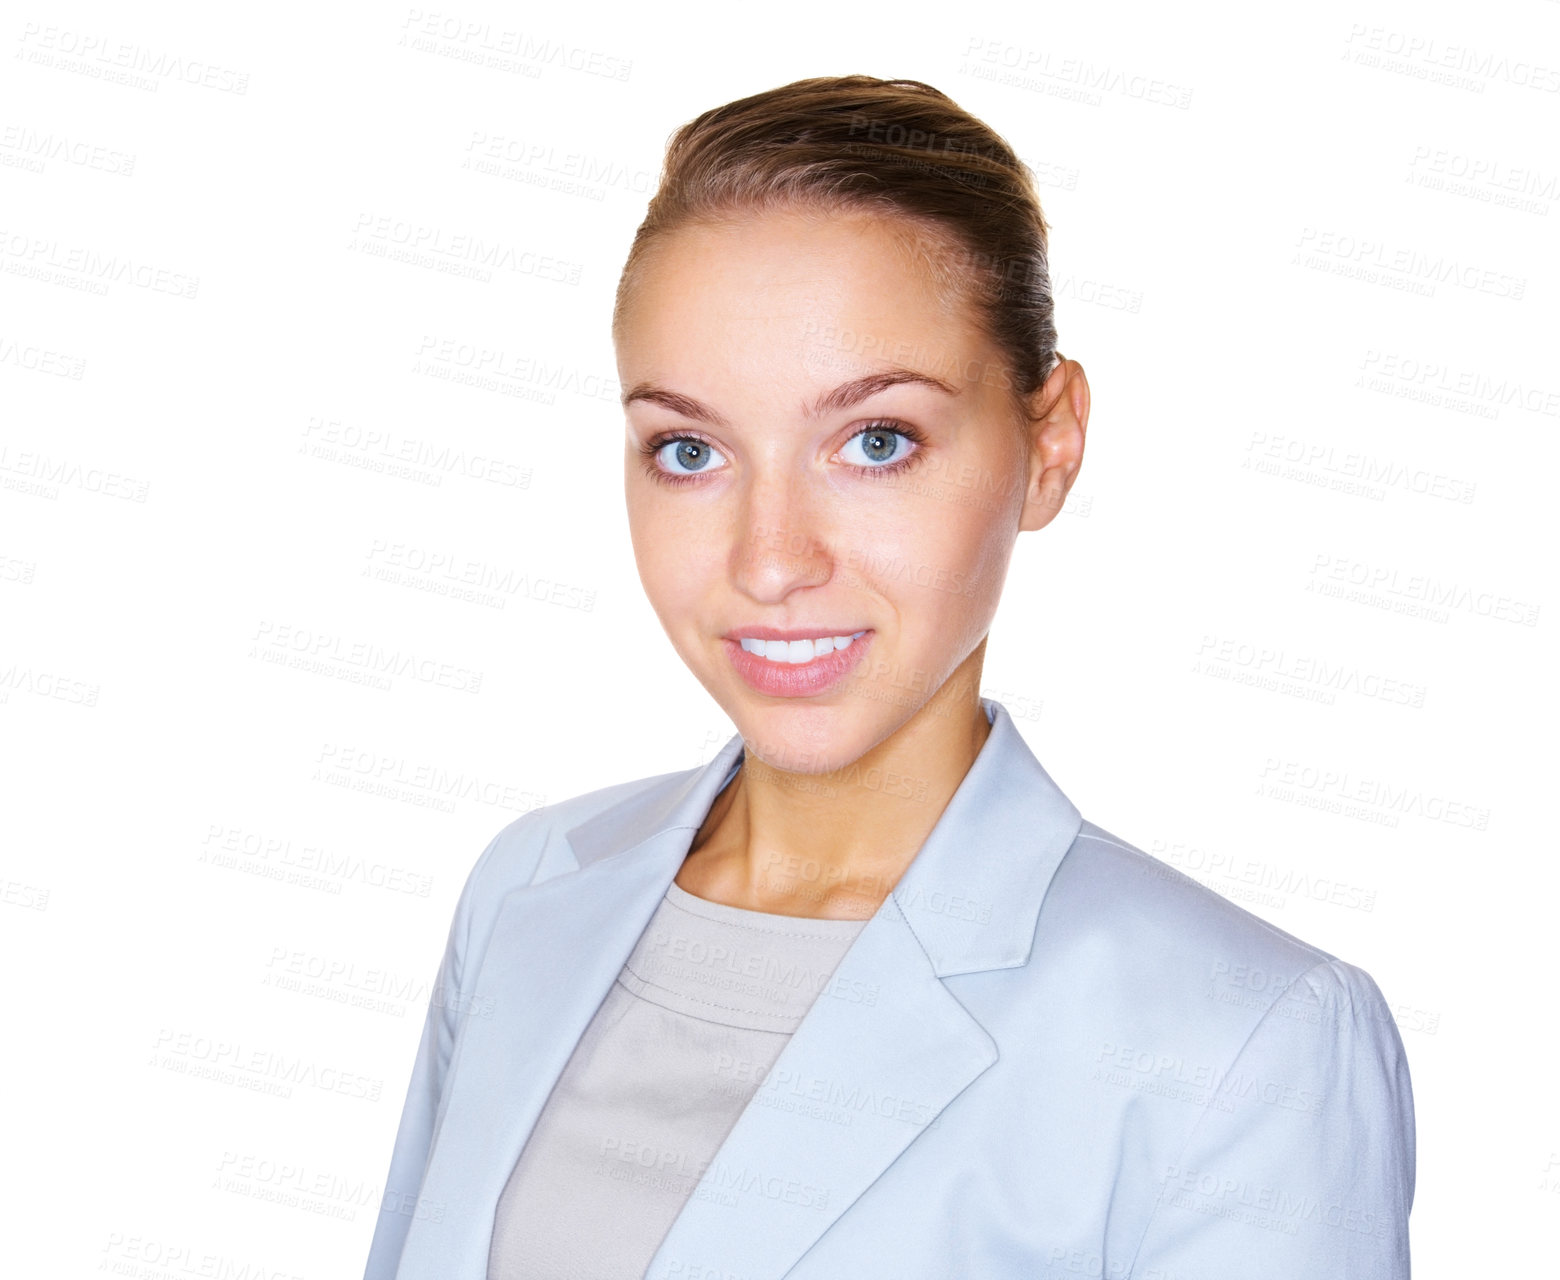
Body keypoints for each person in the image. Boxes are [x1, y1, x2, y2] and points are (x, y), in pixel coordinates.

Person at [364, 75, 1415, 1280]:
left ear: (1049, 445)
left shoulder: (1245, 1041)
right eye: (690, 449)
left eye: (876, 441)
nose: (770, 561)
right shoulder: (529, 892)